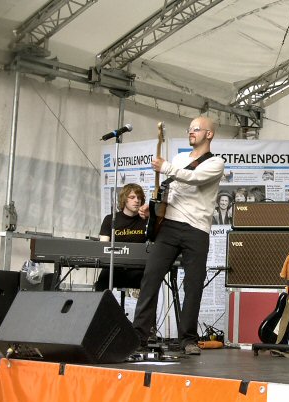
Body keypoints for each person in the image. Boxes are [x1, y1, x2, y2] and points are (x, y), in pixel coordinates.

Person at [134, 116, 224, 355]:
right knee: (150, 277)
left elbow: (194, 179)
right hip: (170, 226)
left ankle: (188, 339)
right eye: (189, 129)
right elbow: (172, 189)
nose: (191, 132)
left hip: (197, 229)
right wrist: (152, 207)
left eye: (196, 129)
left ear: (209, 134)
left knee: (193, 286)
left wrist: (165, 167)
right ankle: (139, 335)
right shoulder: (179, 159)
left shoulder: (216, 163)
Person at [95, 183, 146, 291]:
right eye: (132, 197)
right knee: (101, 284)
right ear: (124, 199)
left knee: (150, 284)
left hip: (138, 268)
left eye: (139, 197)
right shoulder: (110, 219)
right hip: (113, 267)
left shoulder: (146, 221)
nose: (137, 200)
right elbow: (103, 247)